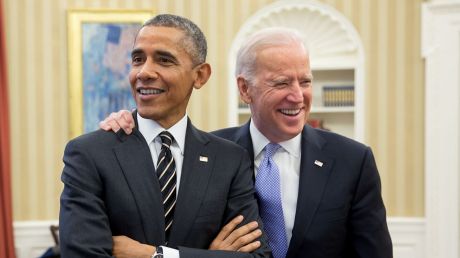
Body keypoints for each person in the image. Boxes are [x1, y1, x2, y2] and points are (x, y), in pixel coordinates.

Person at [101, 28, 393, 257]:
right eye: (281, 83)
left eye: (304, 82)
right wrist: (129, 124)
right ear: (245, 89)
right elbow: (175, 239)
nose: (297, 96)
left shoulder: (352, 161)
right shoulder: (206, 152)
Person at [59, 14, 272, 258]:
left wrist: (157, 255)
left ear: (200, 75)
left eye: (164, 60)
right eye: (138, 59)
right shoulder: (89, 154)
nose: (144, 72)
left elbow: (257, 256)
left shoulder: (229, 160)